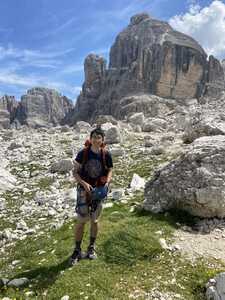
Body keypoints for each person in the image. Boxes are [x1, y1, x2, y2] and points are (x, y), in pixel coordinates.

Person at [69, 126, 113, 266]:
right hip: (83, 191)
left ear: (102, 140)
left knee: (94, 221)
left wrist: (107, 182)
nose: (96, 140)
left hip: (99, 191)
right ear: (90, 138)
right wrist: (84, 183)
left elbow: (110, 170)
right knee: (81, 221)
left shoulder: (106, 155)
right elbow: (75, 172)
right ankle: (77, 250)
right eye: (93, 137)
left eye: (98, 138)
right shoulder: (83, 153)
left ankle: (91, 248)